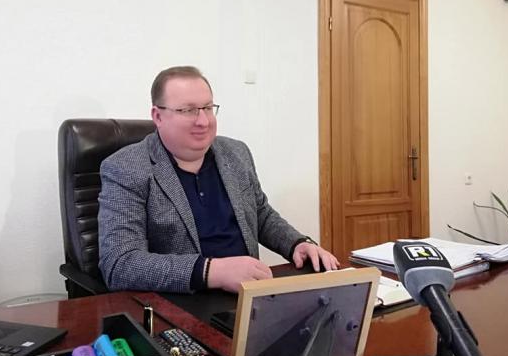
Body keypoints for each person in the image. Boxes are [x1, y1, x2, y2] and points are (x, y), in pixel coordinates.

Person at [98, 66, 339, 293]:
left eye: (207, 108)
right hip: (182, 301)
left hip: (248, 295)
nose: (203, 121)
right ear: (158, 116)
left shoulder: (236, 153)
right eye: (188, 110)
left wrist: (297, 244)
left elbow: (261, 215)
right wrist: (210, 271)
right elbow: (120, 264)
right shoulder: (126, 168)